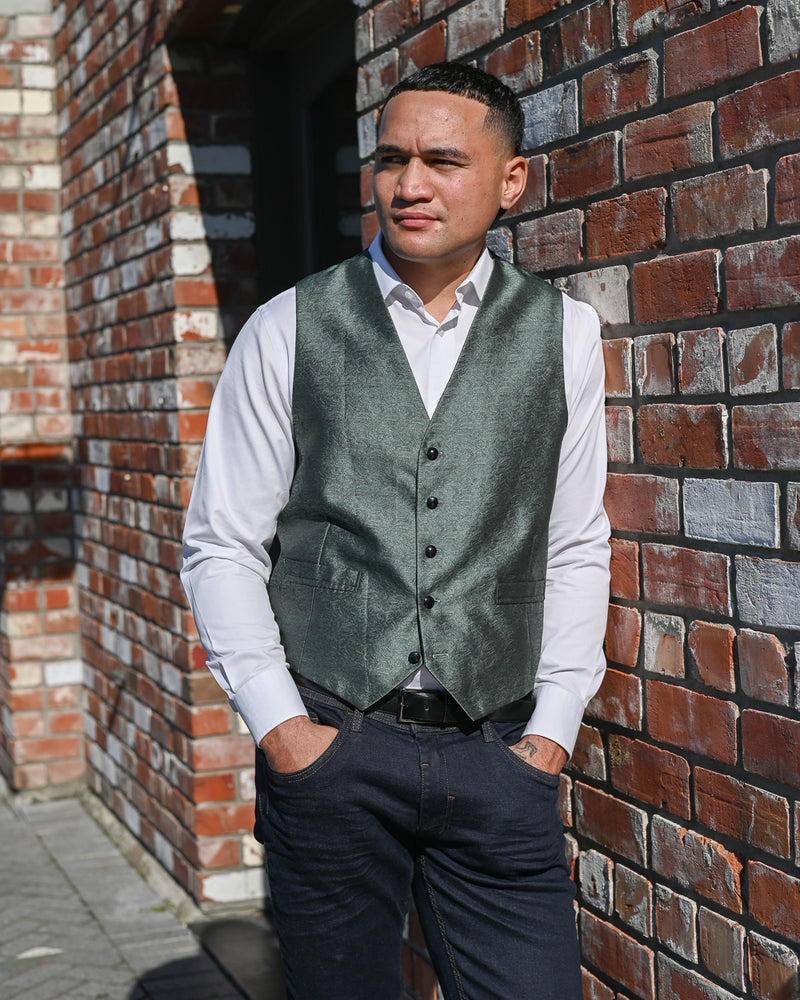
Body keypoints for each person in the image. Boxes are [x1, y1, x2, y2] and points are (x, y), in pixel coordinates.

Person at [182, 62, 610, 1000]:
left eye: (444, 160)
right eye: (391, 159)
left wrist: (550, 735)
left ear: (510, 182)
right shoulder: (287, 327)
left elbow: (576, 541)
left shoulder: (564, 335)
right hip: (334, 743)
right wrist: (283, 730)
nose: (409, 185)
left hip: (499, 753)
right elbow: (221, 543)